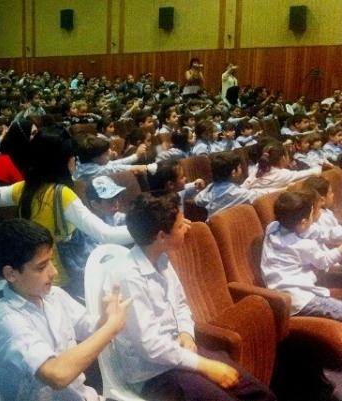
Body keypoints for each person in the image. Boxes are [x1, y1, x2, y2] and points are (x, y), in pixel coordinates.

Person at [107, 192, 276, 401]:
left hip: (178, 352)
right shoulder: (128, 277)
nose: (187, 228)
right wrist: (204, 365)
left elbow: (180, 304)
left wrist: (186, 333)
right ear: (161, 237)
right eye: (180, 226)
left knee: (260, 394)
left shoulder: (161, 259)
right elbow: (150, 346)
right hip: (153, 373)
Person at [0, 218, 131, 401]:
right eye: (41, 267)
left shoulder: (54, 295)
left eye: (51, 261)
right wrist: (111, 327)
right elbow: (57, 375)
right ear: (10, 274)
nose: (53, 272)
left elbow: (90, 329)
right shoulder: (7, 320)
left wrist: (106, 318)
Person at [0, 127, 133, 294]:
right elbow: (106, 234)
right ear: (64, 162)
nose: (75, 160)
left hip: (30, 278)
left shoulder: (24, 188)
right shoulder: (61, 195)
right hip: (60, 280)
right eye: (72, 156)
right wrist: (148, 228)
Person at [261, 190, 342, 320]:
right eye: (311, 215)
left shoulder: (272, 228)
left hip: (281, 296)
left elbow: (318, 232)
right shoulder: (303, 246)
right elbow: (324, 262)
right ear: (303, 222)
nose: (313, 218)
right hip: (301, 299)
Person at [195, 152, 261, 219]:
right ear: (233, 173)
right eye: (239, 167)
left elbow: (197, 199)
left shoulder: (211, 189)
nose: (241, 170)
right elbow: (261, 196)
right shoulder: (240, 194)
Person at [241, 140, 321, 195]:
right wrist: (320, 168)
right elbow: (312, 172)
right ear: (283, 158)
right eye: (287, 154)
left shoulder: (258, 167)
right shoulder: (283, 174)